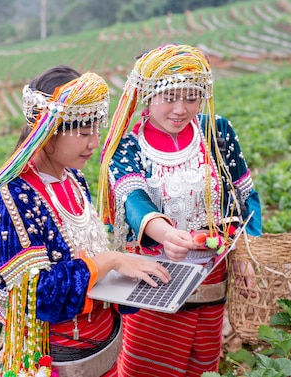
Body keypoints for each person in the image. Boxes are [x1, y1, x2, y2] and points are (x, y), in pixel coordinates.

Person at [0, 65, 171, 377]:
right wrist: (111, 260)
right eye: (84, 134)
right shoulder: (13, 197)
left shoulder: (73, 177)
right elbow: (37, 296)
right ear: (46, 133)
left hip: (103, 342)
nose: (94, 143)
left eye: (96, 130)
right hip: (57, 356)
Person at [97, 44, 262, 376]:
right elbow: (133, 200)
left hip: (212, 282)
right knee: (148, 367)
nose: (180, 109)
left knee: (202, 364)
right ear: (146, 94)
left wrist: (247, 252)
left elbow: (246, 198)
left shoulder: (217, 132)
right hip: (155, 282)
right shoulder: (127, 146)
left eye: (191, 97)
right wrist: (166, 233)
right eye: (169, 97)